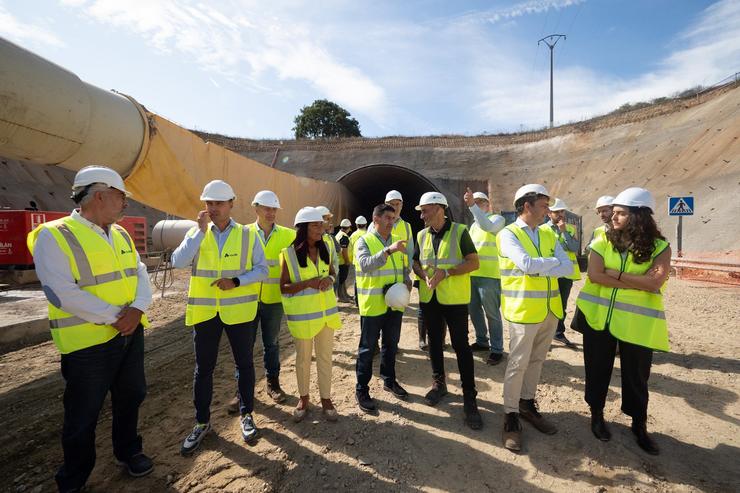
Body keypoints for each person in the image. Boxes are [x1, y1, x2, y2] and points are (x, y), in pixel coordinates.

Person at [28, 165, 153, 491]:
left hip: (129, 333)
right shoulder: (54, 235)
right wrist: (117, 316)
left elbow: (140, 273)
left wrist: (138, 308)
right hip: (87, 346)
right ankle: (74, 477)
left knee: (131, 396)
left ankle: (129, 451)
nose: (125, 204)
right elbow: (60, 291)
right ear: (100, 195)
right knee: (83, 415)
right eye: (120, 197)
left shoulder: (121, 233)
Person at [172, 180, 268, 455]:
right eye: (209, 203)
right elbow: (178, 261)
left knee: (245, 365)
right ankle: (202, 423)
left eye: (218, 203)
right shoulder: (197, 232)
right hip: (205, 313)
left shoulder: (249, 236)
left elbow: (262, 270)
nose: (212, 208)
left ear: (231, 204)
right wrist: (198, 233)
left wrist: (237, 281)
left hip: (238, 311)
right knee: (204, 369)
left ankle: (247, 414)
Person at [576, 187, 670, 455]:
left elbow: (656, 281)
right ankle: (597, 415)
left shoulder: (660, 246)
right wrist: (638, 281)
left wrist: (614, 274)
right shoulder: (602, 240)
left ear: (638, 215)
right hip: (598, 320)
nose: (613, 217)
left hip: (636, 322)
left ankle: (639, 425)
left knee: (637, 376)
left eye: (620, 213)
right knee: (596, 369)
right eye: (613, 212)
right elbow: (595, 275)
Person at [496, 184, 573, 452]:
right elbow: (526, 265)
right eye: (543, 205)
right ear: (527, 206)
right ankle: (510, 416)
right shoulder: (508, 234)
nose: (548, 211)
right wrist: (549, 263)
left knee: (537, 361)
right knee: (518, 363)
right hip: (523, 311)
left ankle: (526, 404)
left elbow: (569, 267)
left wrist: (543, 265)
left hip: (550, 310)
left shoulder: (548, 235)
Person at [412, 191, 483, 430]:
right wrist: (422, 274)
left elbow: (474, 262)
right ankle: (439, 384)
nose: (422, 216)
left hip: (454, 300)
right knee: (434, 343)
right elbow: (415, 262)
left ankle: (469, 396)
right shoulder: (421, 235)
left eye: (425, 210)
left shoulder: (460, 232)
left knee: (461, 346)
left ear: (439, 208)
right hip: (430, 297)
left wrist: (448, 272)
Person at [227, 191, 296, 413]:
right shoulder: (243, 233)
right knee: (244, 348)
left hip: (273, 300)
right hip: (246, 299)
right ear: (255, 208)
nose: (271, 212)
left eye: (274, 209)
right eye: (266, 208)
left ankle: (272, 384)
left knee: (272, 344)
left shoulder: (288, 235)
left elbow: (297, 264)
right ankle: (242, 392)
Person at [280, 207, 342, 422]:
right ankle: (304, 398)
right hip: (304, 317)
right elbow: (284, 287)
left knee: (325, 358)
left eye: (321, 225)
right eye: (315, 225)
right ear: (303, 228)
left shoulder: (326, 247)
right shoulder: (289, 254)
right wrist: (307, 283)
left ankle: (326, 399)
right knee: (303, 360)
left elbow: (333, 273)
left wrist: (329, 281)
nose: (321, 228)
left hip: (326, 316)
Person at [354, 203, 412, 412]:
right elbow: (365, 264)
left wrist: (407, 281)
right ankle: (362, 389)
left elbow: (403, 267)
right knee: (368, 349)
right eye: (387, 218)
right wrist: (388, 251)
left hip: (394, 304)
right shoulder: (364, 241)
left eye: (393, 218)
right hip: (373, 305)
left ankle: (389, 380)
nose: (391, 222)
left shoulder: (397, 242)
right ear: (375, 219)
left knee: (391, 345)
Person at [463, 187, 506, 365]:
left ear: (488, 205)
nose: (479, 205)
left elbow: (487, 226)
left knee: (492, 313)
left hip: (490, 276)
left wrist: (472, 205)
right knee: (474, 311)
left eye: (481, 202)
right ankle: (482, 341)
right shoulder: (473, 226)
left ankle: (497, 349)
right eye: (476, 202)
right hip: (472, 274)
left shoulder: (497, 219)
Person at [545, 198, 581, 349]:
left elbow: (573, 248)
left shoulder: (571, 228)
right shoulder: (543, 230)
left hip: (566, 275)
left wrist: (564, 231)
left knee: (562, 304)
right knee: (547, 304)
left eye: (562, 211)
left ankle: (558, 333)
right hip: (551, 274)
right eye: (556, 212)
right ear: (549, 214)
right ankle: (545, 335)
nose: (560, 214)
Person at [348, 215, 368, 306]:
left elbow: (349, 250)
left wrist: (350, 260)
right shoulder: (369, 234)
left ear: (356, 225)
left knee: (357, 281)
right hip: (367, 262)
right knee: (367, 281)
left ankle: (357, 301)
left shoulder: (353, 235)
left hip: (357, 263)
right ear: (366, 224)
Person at [335, 218, 353, 302]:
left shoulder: (339, 234)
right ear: (348, 227)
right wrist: (347, 261)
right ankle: (341, 297)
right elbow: (344, 250)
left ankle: (344, 294)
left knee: (343, 279)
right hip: (342, 262)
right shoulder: (344, 237)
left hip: (339, 261)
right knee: (341, 280)